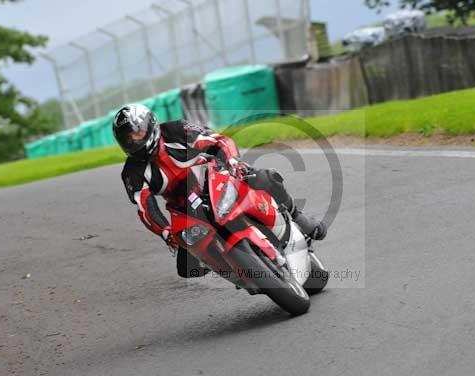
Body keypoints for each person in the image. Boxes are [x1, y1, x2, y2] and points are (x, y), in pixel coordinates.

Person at [114, 104, 326, 278]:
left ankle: (298, 217)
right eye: (128, 138)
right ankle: (233, 269)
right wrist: (166, 232)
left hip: (216, 176)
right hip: (186, 208)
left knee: (264, 177)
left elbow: (218, 140)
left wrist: (233, 161)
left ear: (150, 125)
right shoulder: (132, 173)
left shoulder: (176, 130)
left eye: (137, 132)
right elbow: (145, 208)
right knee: (187, 268)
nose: (134, 140)